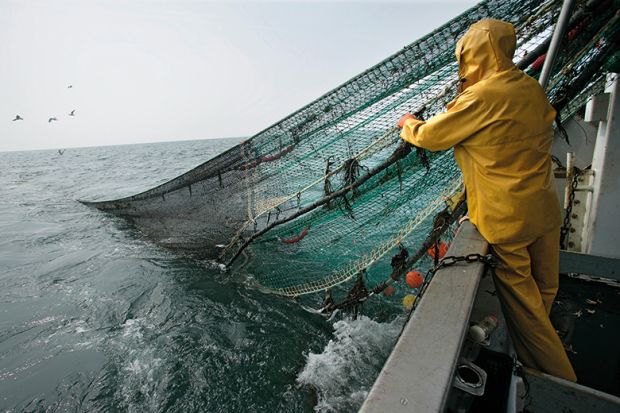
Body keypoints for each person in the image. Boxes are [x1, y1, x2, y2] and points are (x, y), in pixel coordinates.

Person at [397, 19, 577, 382]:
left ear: (472, 55)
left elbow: (432, 136)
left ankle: (560, 381)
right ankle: (548, 342)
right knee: (546, 286)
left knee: (525, 309)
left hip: (507, 218)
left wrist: (408, 123)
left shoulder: (480, 96)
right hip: (544, 209)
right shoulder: (529, 87)